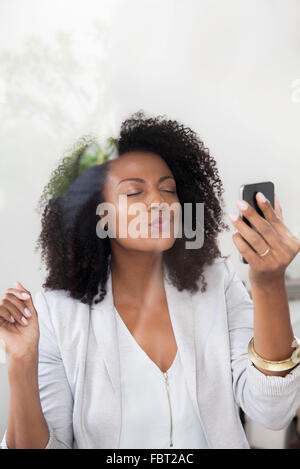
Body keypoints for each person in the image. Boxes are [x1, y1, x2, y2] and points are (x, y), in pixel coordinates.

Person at [1, 110, 300, 449]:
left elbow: (273, 411)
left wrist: (268, 283)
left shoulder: (217, 283)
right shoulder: (55, 313)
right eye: (134, 193)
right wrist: (21, 363)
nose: (159, 203)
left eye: (168, 190)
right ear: (101, 215)